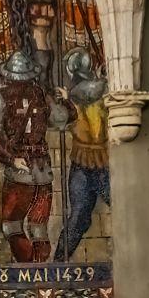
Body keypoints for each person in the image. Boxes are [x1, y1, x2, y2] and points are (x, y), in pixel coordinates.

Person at [0, 51, 75, 262]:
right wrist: (66, 101)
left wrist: (10, 159)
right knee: (39, 227)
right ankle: (39, 269)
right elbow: (63, 119)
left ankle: (27, 267)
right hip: (43, 171)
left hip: (19, 171)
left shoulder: (0, 97)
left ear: (8, 75)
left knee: (11, 224)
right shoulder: (41, 94)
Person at [54, 48, 110, 261]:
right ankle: (60, 260)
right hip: (84, 166)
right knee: (78, 217)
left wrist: (68, 100)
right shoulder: (96, 90)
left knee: (80, 217)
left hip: (101, 165)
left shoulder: (81, 94)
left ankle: (60, 259)